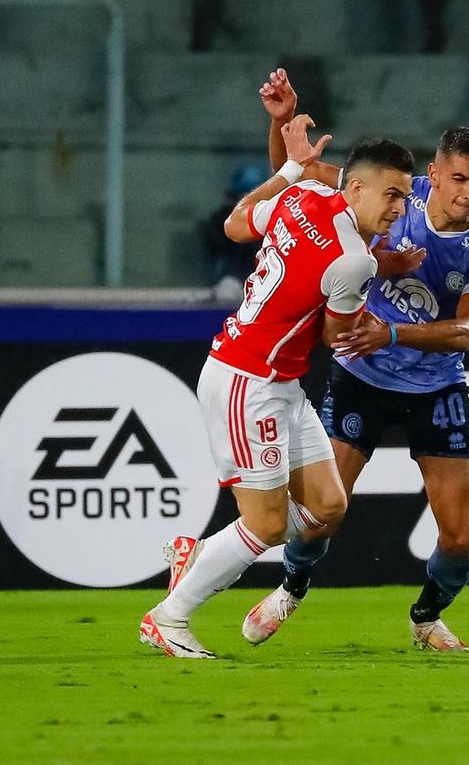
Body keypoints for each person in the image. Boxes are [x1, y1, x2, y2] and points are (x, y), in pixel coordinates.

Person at [207, 68, 469, 652]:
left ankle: (426, 617)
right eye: (458, 179)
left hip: (435, 386)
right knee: (321, 512)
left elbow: (467, 332)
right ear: (434, 173)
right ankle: (290, 589)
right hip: (360, 376)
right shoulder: (397, 196)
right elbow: (302, 182)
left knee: (460, 539)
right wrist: (281, 127)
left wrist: (393, 333)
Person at [139, 116, 416, 659]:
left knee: (329, 505)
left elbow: (236, 225)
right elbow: (339, 336)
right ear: (355, 187)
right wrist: (378, 306)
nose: (399, 210)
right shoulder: (354, 261)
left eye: (404, 198)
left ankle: (202, 555)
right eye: (391, 195)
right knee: (265, 524)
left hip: (277, 381)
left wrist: (288, 170)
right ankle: (169, 619)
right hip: (249, 382)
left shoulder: (303, 196)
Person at [202, 161, 269, 302]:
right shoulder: (220, 221)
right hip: (228, 286)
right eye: (241, 198)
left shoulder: (272, 221)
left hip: (264, 289)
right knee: (228, 291)